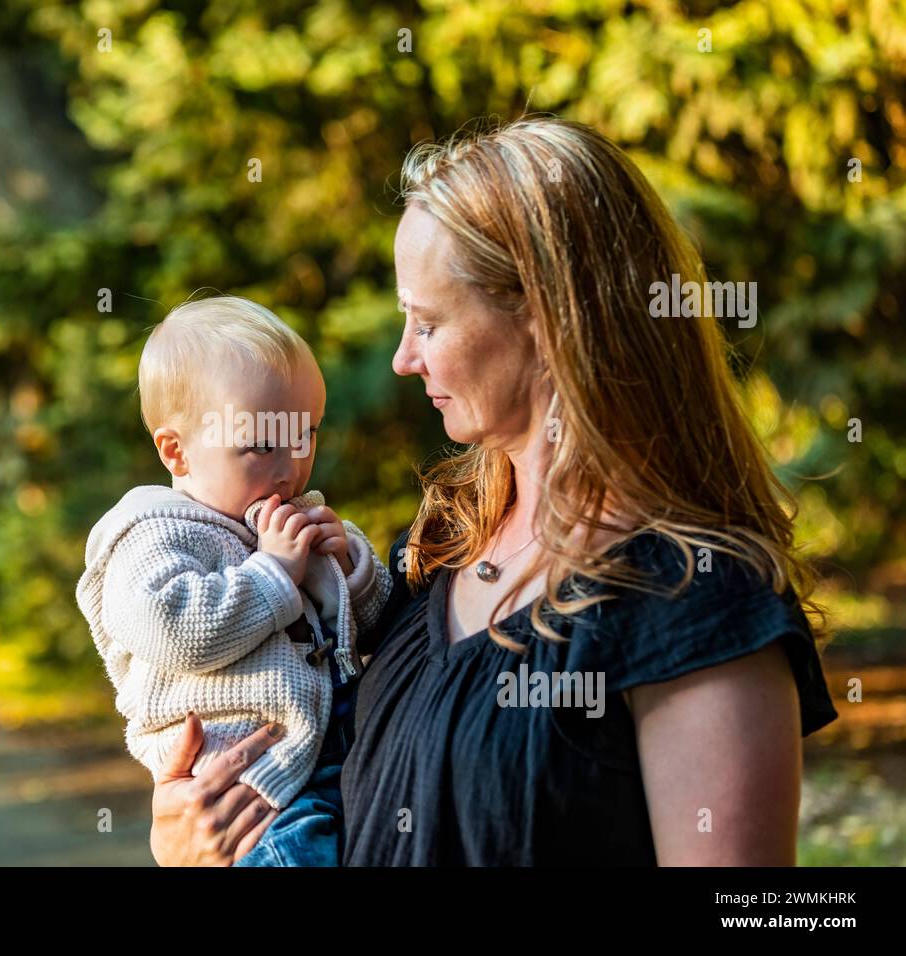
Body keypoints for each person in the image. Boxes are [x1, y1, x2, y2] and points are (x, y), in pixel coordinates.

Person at [146, 116, 839, 866]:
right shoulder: (437, 550)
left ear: (547, 316)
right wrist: (188, 840)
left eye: (429, 323)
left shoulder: (693, 602)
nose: (403, 359)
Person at [75, 295, 391, 867]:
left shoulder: (289, 521)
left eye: (307, 435)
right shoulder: (151, 534)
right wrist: (273, 572)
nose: (290, 466)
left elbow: (377, 629)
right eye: (260, 444)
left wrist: (350, 569)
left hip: (329, 754)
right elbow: (173, 631)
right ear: (176, 451)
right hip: (246, 787)